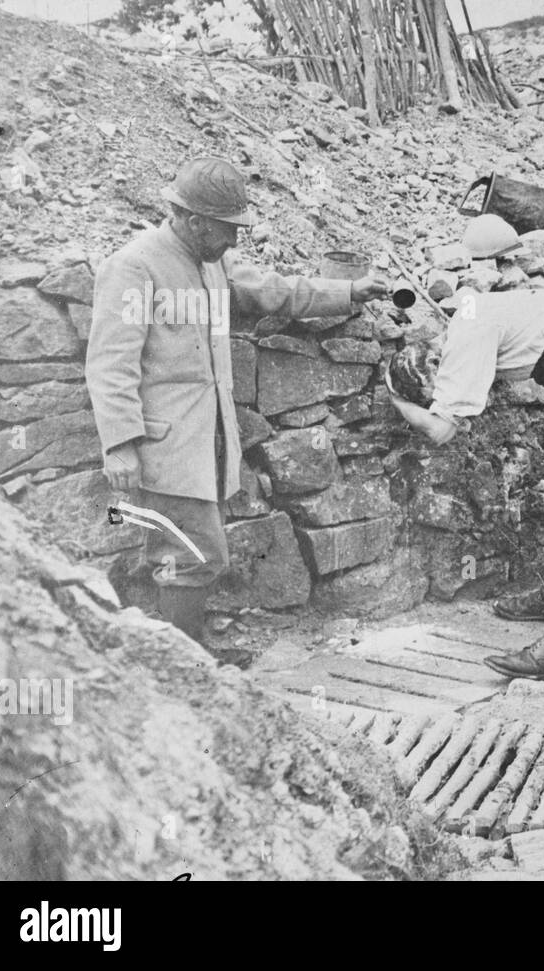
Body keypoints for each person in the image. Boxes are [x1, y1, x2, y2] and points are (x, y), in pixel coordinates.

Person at [86, 157, 389, 657]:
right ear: (194, 220)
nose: (235, 241)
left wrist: (348, 291)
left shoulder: (212, 261)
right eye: (228, 230)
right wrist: (119, 445)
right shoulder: (134, 266)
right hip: (164, 446)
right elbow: (110, 364)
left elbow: (273, 290)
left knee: (187, 553)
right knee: (194, 554)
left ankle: (186, 656)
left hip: (205, 438)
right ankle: (186, 665)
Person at [386, 263, 544, 682]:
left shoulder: (464, 338)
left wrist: (399, 403)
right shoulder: (470, 316)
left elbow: (442, 430)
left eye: (431, 389)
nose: (437, 393)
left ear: (431, 362)